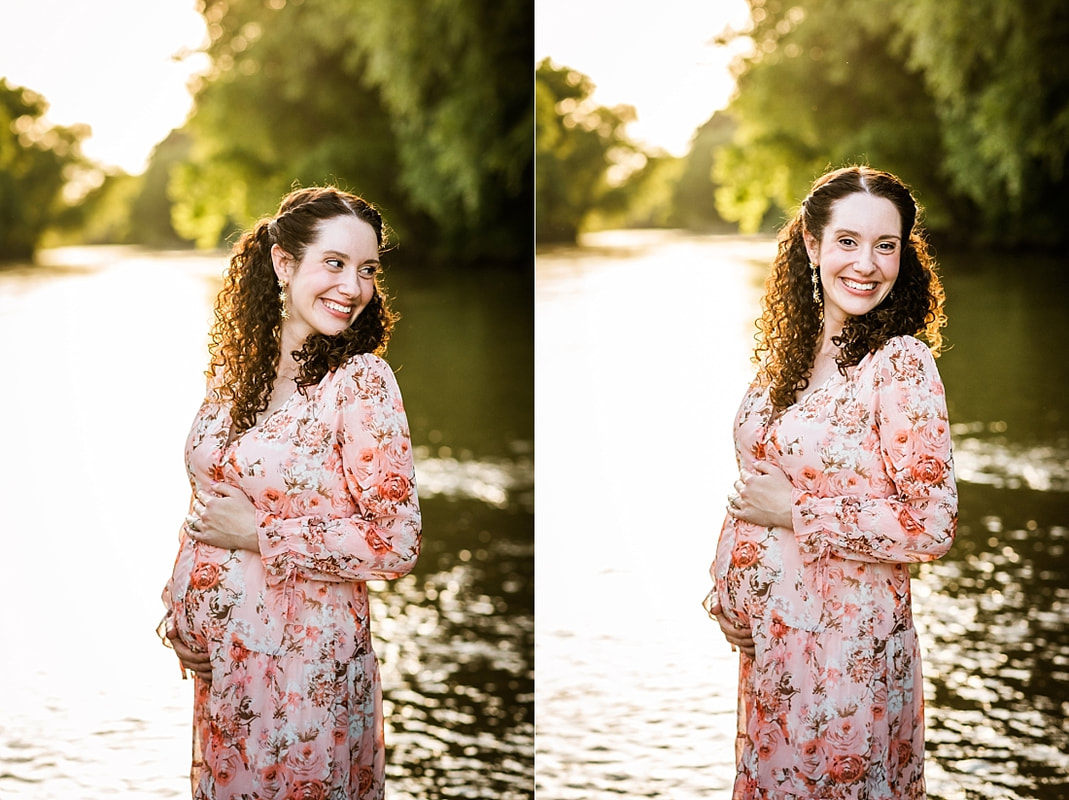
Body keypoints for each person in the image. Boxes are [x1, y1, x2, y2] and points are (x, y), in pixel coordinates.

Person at [159, 186, 421, 800]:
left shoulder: (360, 382)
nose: (353, 288)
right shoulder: (232, 379)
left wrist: (261, 535)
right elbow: (205, 510)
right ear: (284, 264)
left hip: (307, 672)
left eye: (366, 270)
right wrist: (178, 616)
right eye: (334, 263)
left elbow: (397, 541)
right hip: (226, 671)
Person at [703, 166, 957, 798]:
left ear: (904, 253)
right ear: (813, 247)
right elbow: (754, 492)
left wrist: (801, 512)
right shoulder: (785, 363)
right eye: (848, 241)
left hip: (849, 655)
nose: (866, 264)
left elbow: (931, 524)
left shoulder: (898, 363)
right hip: (773, 650)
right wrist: (727, 599)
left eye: (885, 245)